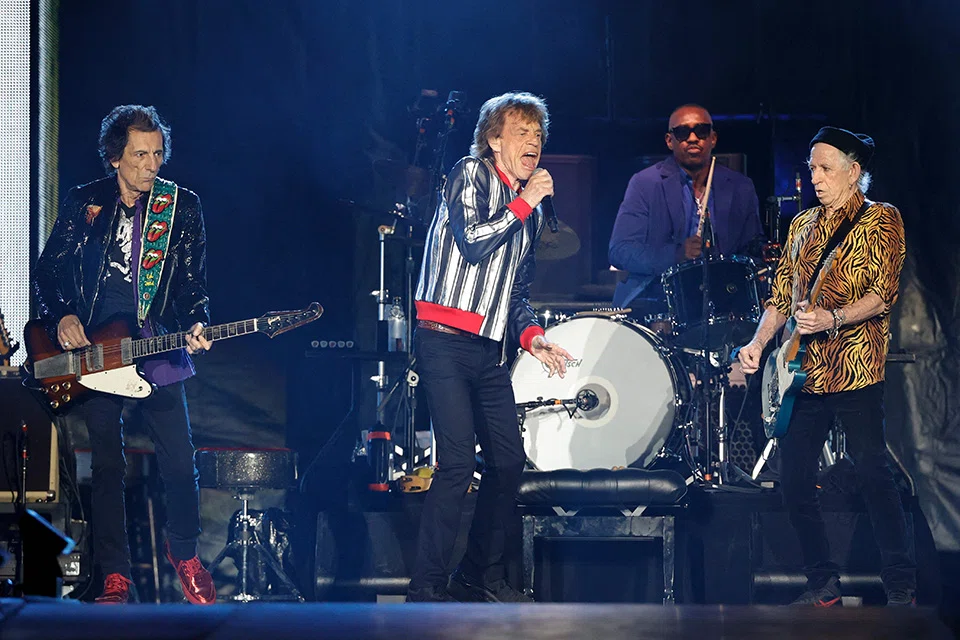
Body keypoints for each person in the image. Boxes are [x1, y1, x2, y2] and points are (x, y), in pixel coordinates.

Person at [32, 105, 216, 605]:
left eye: (157, 154)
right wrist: (65, 315)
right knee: (107, 465)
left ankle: (184, 551)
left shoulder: (182, 207)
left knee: (180, 461)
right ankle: (113, 572)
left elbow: (194, 284)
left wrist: (197, 318)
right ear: (116, 157)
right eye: (139, 155)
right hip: (97, 347)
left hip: (156, 341)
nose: (150, 165)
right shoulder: (82, 202)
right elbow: (47, 273)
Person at [736, 127, 915, 607]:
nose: (814, 176)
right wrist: (756, 343)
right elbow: (780, 298)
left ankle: (901, 583)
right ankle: (822, 582)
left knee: (874, 473)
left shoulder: (881, 221)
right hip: (804, 371)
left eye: (825, 168)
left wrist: (833, 317)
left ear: (854, 172)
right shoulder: (801, 226)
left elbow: (882, 295)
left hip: (855, 369)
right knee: (793, 480)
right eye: (811, 167)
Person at [408, 92, 572, 603]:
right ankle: (425, 588)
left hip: (487, 351)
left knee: (508, 463)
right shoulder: (470, 173)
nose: (533, 142)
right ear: (494, 140)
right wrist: (525, 203)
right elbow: (474, 240)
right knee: (457, 462)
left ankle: (476, 573)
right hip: (441, 341)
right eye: (521, 132)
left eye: (538, 134)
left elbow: (515, 295)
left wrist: (533, 337)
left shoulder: (532, 212)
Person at [609, 104, 765, 313]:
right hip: (658, 301)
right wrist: (676, 255)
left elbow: (752, 252)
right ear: (669, 141)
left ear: (713, 138)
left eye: (701, 131)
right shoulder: (645, 183)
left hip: (725, 303)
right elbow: (620, 250)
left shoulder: (740, 187)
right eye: (682, 132)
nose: (693, 138)